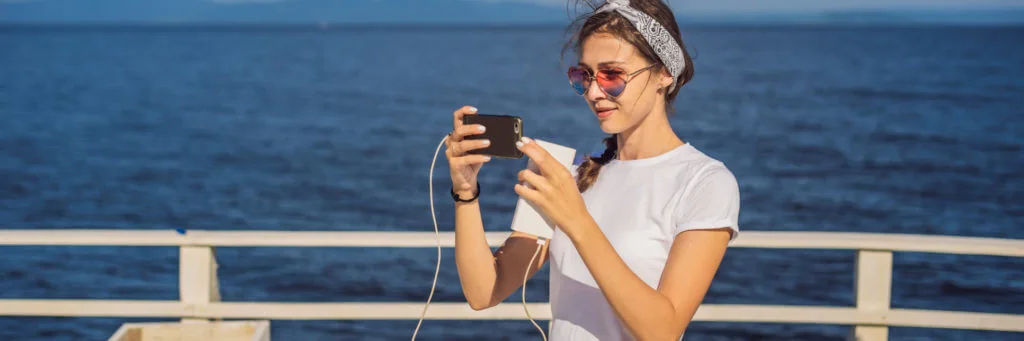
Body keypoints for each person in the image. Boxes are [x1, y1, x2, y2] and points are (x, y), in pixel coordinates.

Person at [444, 0, 740, 339]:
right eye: (583, 76)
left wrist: (576, 220)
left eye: (612, 75)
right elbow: (484, 293)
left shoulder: (705, 182)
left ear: (663, 73)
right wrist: (465, 193)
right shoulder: (567, 178)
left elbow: (664, 330)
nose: (594, 92)